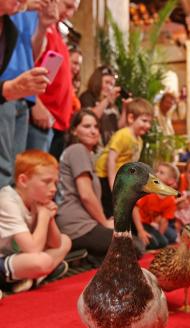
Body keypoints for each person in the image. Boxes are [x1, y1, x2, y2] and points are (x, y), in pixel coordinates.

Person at [0, 150, 71, 294]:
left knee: (66, 241)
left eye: (55, 183)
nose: (53, 189)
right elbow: (32, 249)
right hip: (3, 259)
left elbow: (56, 244)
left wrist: (49, 218)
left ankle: (31, 278)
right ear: (23, 181)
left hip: (19, 257)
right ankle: (35, 276)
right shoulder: (7, 200)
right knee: (42, 261)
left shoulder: (36, 198)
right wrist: (44, 217)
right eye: (46, 182)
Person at [0, 0, 50, 188]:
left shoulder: (14, 24)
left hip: (18, 94)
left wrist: (44, 25)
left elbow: (30, 55)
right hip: (7, 90)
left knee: (15, 167)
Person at [56, 109, 114, 262]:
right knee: (131, 245)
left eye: (96, 126)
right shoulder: (78, 150)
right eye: (87, 126)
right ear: (75, 130)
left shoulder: (83, 153)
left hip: (80, 224)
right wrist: (105, 223)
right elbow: (86, 195)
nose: (93, 131)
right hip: (76, 226)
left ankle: (91, 257)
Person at [27, 0, 80, 159]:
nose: (69, 14)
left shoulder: (56, 29)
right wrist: (34, 102)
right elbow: (26, 64)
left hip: (57, 122)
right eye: (68, 6)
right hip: (41, 118)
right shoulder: (37, 23)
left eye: (74, 10)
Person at [95, 97, 154, 218]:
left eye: (149, 122)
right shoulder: (123, 134)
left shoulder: (139, 141)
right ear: (131, 118)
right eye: (144, 121)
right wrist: (113, 183)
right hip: (104, 176)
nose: (148, 125)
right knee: (108, 209)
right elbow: (111, 159)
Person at [133, 162, 178, 250]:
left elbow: (164, 221)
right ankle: (133, 237)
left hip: (147, 224)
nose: (156, 174)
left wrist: (159, 236)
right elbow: (134, 209)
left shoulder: (170, 199)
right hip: (135, 222)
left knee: (163, 242)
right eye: (157, 171)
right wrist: (140, 231)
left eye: (161, 173)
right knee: (152, 243)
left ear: (171, 181)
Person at [79, 65, 123, 147]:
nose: (109, 87)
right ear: (97, 81)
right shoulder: (87, 96)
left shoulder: (112, 104)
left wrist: (126, 107)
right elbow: (90, 117)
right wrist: (106, 100)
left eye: (112, 84)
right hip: (94, 147)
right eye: (107, 82)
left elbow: (118, 126)